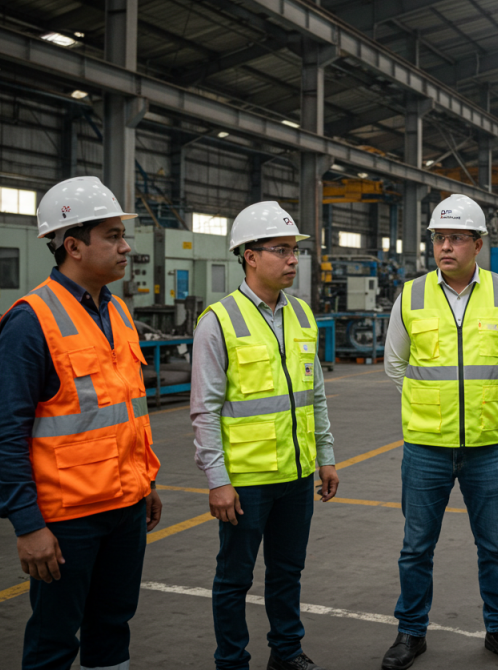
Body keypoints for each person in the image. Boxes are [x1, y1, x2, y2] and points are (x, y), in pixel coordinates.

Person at [0, 176, 162, 670]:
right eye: (112, 235)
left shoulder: (118, 311)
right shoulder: (30, 320)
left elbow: (124, 412)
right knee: (54, 642)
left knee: (112, 629)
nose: (126, 246)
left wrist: (144, 483)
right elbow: (5, 434)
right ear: (73, 246)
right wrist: (28, 525)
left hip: (125, 508)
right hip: (67, 521)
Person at [381, 194, 498, 670]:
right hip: (426, 446)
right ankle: (411, 633)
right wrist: (436, 406)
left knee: (494, 545)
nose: (445, 247)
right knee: (415, 548)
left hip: (488, 445)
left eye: (455, 238)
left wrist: (482, 403)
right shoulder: (411, 295)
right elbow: (395, 364)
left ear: (478, 243)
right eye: (438, 238)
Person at [190, 201, 338, 670]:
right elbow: (204, 409)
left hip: (296, 475)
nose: (293, 259)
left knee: (287, 573)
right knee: (234, 578)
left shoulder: (303, 316)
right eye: (281, 250)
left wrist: (326, 456)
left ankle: (286, 652)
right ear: (250, 256)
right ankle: (232, 661)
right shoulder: (218, 321)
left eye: (295, 250)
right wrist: (217, 479)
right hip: (247, 479)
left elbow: (315, 396)